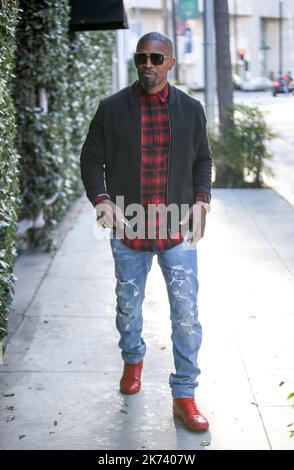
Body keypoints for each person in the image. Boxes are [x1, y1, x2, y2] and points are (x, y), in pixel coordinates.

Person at [80, 32, 212, 432]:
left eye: (156, 57)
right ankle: (133, 358)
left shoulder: (191, 110)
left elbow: (202, 160)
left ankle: (185, 394)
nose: (148, 65)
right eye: (142, 58)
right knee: (127, 307)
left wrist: (202, 200)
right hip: (129, 231)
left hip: (177, 232)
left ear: (170, 63)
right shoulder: (112, 108)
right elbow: (91, 158)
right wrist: (102, 199)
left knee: (186, 314)